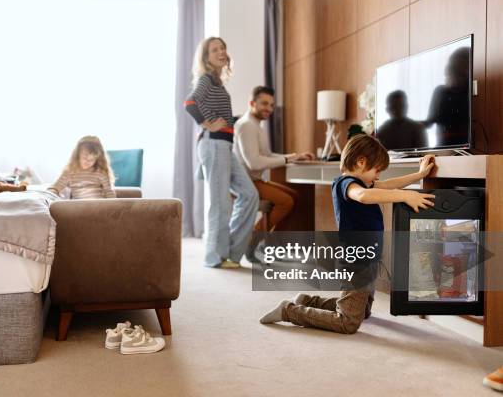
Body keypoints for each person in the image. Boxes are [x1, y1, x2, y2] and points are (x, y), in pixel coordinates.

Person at [260, 135, 436, 334]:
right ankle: (289, 311)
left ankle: (308, 301)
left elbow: (389, 184)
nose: (378, 177)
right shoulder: (347, 184)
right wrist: (405, 196)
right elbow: (362, 196)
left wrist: (419, 175)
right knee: (347, 322)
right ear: (361, 162)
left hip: (368, 258)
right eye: (376, 170)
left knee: (363, 312)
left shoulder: (362, 183)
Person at [184, 37, 259, 268]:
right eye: (215, 49)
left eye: (223, 48)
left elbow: (221, 115)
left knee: (249, 194)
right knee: (220, 204)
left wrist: (232, 120)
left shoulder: (217, 81)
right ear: (206, 57)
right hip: (214, 144)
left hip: (224, 144)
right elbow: (190, 103)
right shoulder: (206, 79)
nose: (221, 52)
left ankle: (231, 252)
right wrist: (206, 123)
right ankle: (214, 257)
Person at [234, 86, 315, 233]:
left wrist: (293, 156)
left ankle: (272, 241)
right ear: (252, 103)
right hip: (247, 182)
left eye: (271, 105)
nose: (269, 109)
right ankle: (253, 238)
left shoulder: (256, 125)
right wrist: (286, 160)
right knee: (287, 202)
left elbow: (267, 155)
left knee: (296, 196)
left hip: (256, 180)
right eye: (264, 104)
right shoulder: (247, 125)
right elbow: (254, 163)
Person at [48, 135, 116, 199]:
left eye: (92, 159)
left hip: (98, 206)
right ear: (77, 155)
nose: (88, 161)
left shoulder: (100, 172)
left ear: (97, 159)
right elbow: (56, 187)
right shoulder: (69, 172)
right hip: (78, 207)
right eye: (85, 157)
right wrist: (51, 192)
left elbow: (109, 192)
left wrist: (113, 205)